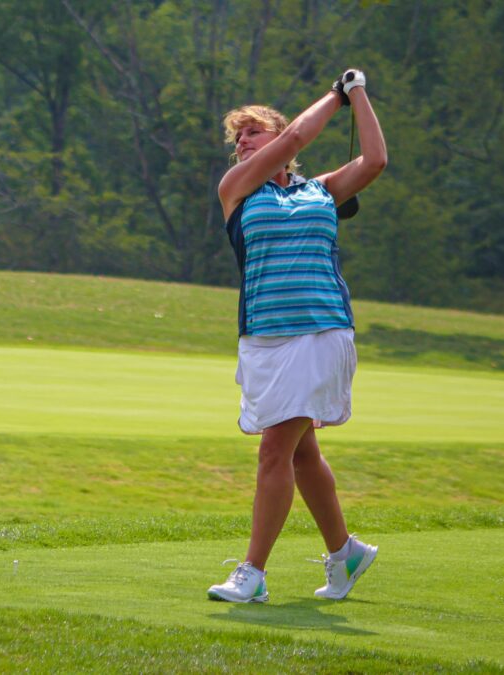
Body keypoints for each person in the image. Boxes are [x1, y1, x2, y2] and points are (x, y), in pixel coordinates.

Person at [206, 70, 387, 603]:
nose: (243, 142)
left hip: (321, 329)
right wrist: (335, 93)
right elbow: (294, 140)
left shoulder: (322, 190)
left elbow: (374, 160)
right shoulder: (235, 189)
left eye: (253, 133)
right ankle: (346, 553)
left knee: (273, 452)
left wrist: (357, 94)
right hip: (265, 336)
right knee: (302, 453)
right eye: (238, 138)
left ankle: (252, 573)